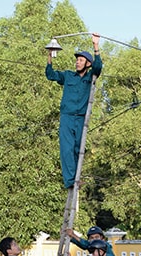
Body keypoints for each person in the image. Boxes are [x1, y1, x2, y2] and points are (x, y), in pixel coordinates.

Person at [45, 33, 103, 189]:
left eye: (81, 60)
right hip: (67, 117)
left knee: (78, 149)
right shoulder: (68, 76)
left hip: (81, 118)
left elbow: (99, 67)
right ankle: (70, 181)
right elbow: (50, 75)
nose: (77, 62)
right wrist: (50, 56)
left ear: (88, 64)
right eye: (77, 60)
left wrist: (95, 46)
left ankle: (76, 178)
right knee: (67, 148)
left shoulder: (90, 76)